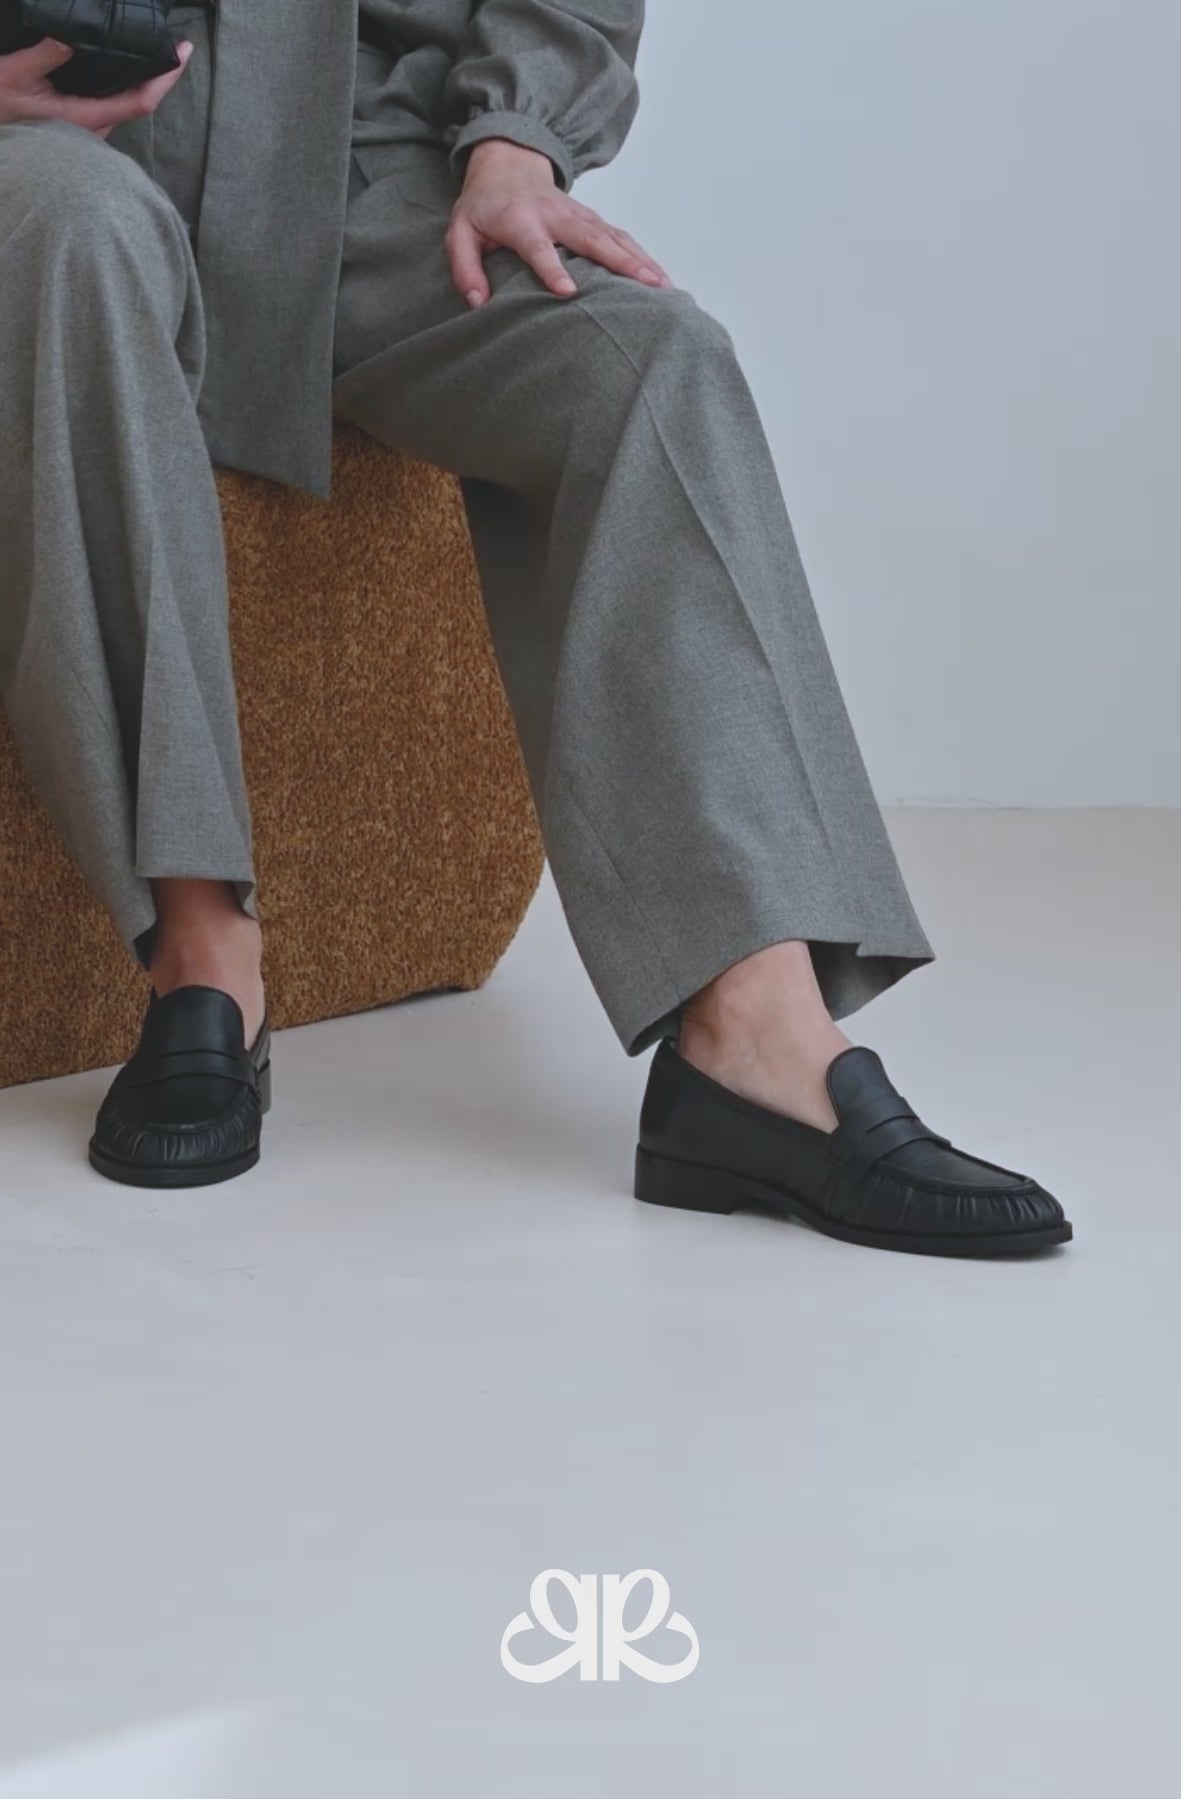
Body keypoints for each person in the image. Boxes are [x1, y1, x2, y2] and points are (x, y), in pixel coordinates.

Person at [0, 2, 1072, 1255]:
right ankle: (203, 958)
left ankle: (755, 1032)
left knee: (648, 359)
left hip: (365, 166)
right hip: (51, 135)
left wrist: (517, 141)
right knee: (69, 232)